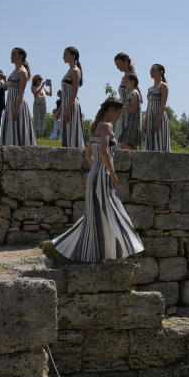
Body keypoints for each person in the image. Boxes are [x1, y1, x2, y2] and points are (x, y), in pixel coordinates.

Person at [53, 97, 145, 262]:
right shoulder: (107, 126)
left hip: (93, 175)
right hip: (102, 177)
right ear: (111, 110)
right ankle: (120, 249)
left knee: (95, 215)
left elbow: (88, 155)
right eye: (118, 112)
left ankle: (95, 254)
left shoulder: (96, 126)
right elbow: (103, 150)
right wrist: (111, 173)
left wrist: (96, 169)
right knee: (114, 212)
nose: (119, 116)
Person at [0, 47, 36, 146]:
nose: (11, 56)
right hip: (10, 102)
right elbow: (7, 88)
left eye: (14, 54)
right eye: (11, 54)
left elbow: (21, 92)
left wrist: (16, 109)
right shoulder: (14, 70)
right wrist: (4, 80)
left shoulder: (22, 71)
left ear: (21, 56)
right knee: (9, 128)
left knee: (18, 128)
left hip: (17, 103)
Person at [60, 47, 85, 149]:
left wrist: (68, 109)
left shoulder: (75, 71)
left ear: (73, 56)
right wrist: (60, 109)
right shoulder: (69, 70)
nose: (63, 56)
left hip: (71, 105)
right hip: (66, 104)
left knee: (72, 132)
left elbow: (74, 92)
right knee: (66, 131)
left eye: (66, 54)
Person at [143, 63, 171, 152]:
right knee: (150, 144)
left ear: (161, 72)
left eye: (154, 70)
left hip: (159, 117)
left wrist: (158, 120)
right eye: (151, 70)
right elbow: (148, 106)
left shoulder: (163, 86)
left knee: (160, 142)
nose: (151, 72)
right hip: (150, 117)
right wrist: (145, 121)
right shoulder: (149, 89)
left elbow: (163, 104)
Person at [114, 52, 137, 140]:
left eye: (119, 64)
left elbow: (136, 96)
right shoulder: (123, 78)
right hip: (122, 112)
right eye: (116, 65)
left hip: (128, 112)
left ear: (126, 62)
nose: (117, 67)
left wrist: (126, 110)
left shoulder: (132, 77)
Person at [118, 73, 142, 150]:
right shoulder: (133, 92)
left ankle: (136, 158)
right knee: (132, 146)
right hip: (133, 123)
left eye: (126, 82)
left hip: (133, 124)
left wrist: (123, 108)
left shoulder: (133, 93)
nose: (125, 84)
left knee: (122, 144)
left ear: (132, 82)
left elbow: (133, 109)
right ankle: (136, 161)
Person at [31, 74, 52, 138]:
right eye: (39, 79)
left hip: (43, 105)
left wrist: (50, 87)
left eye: (41, 79)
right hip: (36, 105)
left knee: (42, 121)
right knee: (35, 120)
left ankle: (40, 136)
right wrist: (41, 86)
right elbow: (36, 93)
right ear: (36, 80)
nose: (41, 80)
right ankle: (33, 135)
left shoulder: (43, 88)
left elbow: (50, 94)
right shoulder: (33, 86)